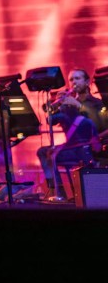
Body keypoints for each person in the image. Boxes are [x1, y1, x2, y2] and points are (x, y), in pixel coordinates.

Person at [37, 70, 100, 199]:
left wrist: (78, 105)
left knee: (52, 154)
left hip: (86, 148)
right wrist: (57, 103)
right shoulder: (67, 105)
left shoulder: (95, 103)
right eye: (71, 80)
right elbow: (51, 121)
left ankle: (60, 192)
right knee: (43, 152)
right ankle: (56, 190)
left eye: (77, 78)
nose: (74, 82)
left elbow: (97, 121)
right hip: (71, 147)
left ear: (87, 82)